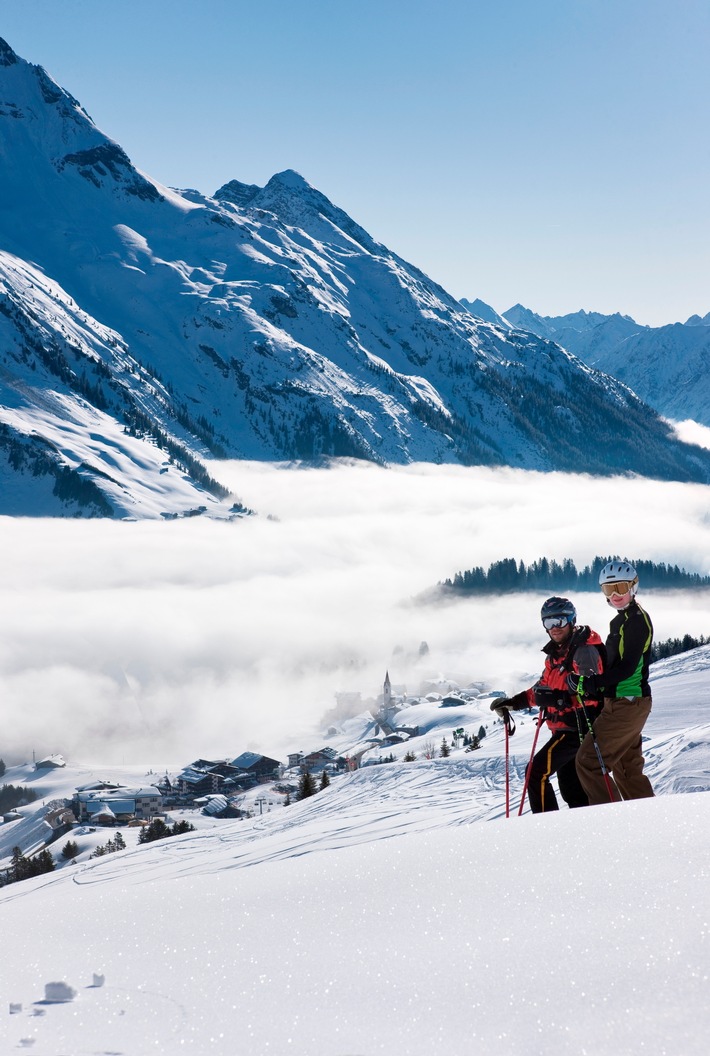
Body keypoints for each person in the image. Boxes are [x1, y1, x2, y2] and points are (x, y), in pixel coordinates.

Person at [491, 597, 605, 813]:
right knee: (572, 789)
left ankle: (545, 829)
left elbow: (591, 688)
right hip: (563, 730)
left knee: (535, 774)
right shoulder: (556, 655)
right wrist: (513, 704)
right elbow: (541, 689)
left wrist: (558, 700)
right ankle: (582, 831)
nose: (554, 628)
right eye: (548, 623)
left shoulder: (583, 650)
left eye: (559, 621)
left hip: (578, 729)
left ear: (571, 620)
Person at [568, 561, 654, 804]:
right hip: (626, 703)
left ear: (633, 587)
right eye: (609, 589)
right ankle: (649, 825)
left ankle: (611, 826)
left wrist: (590, 684)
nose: (615, 595)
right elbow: (612, 663)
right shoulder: (622, 620)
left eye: (621, 587)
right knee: (627, 773)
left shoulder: (636, 620)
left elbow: (627, 668)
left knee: (588, 762)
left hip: (627, 703)